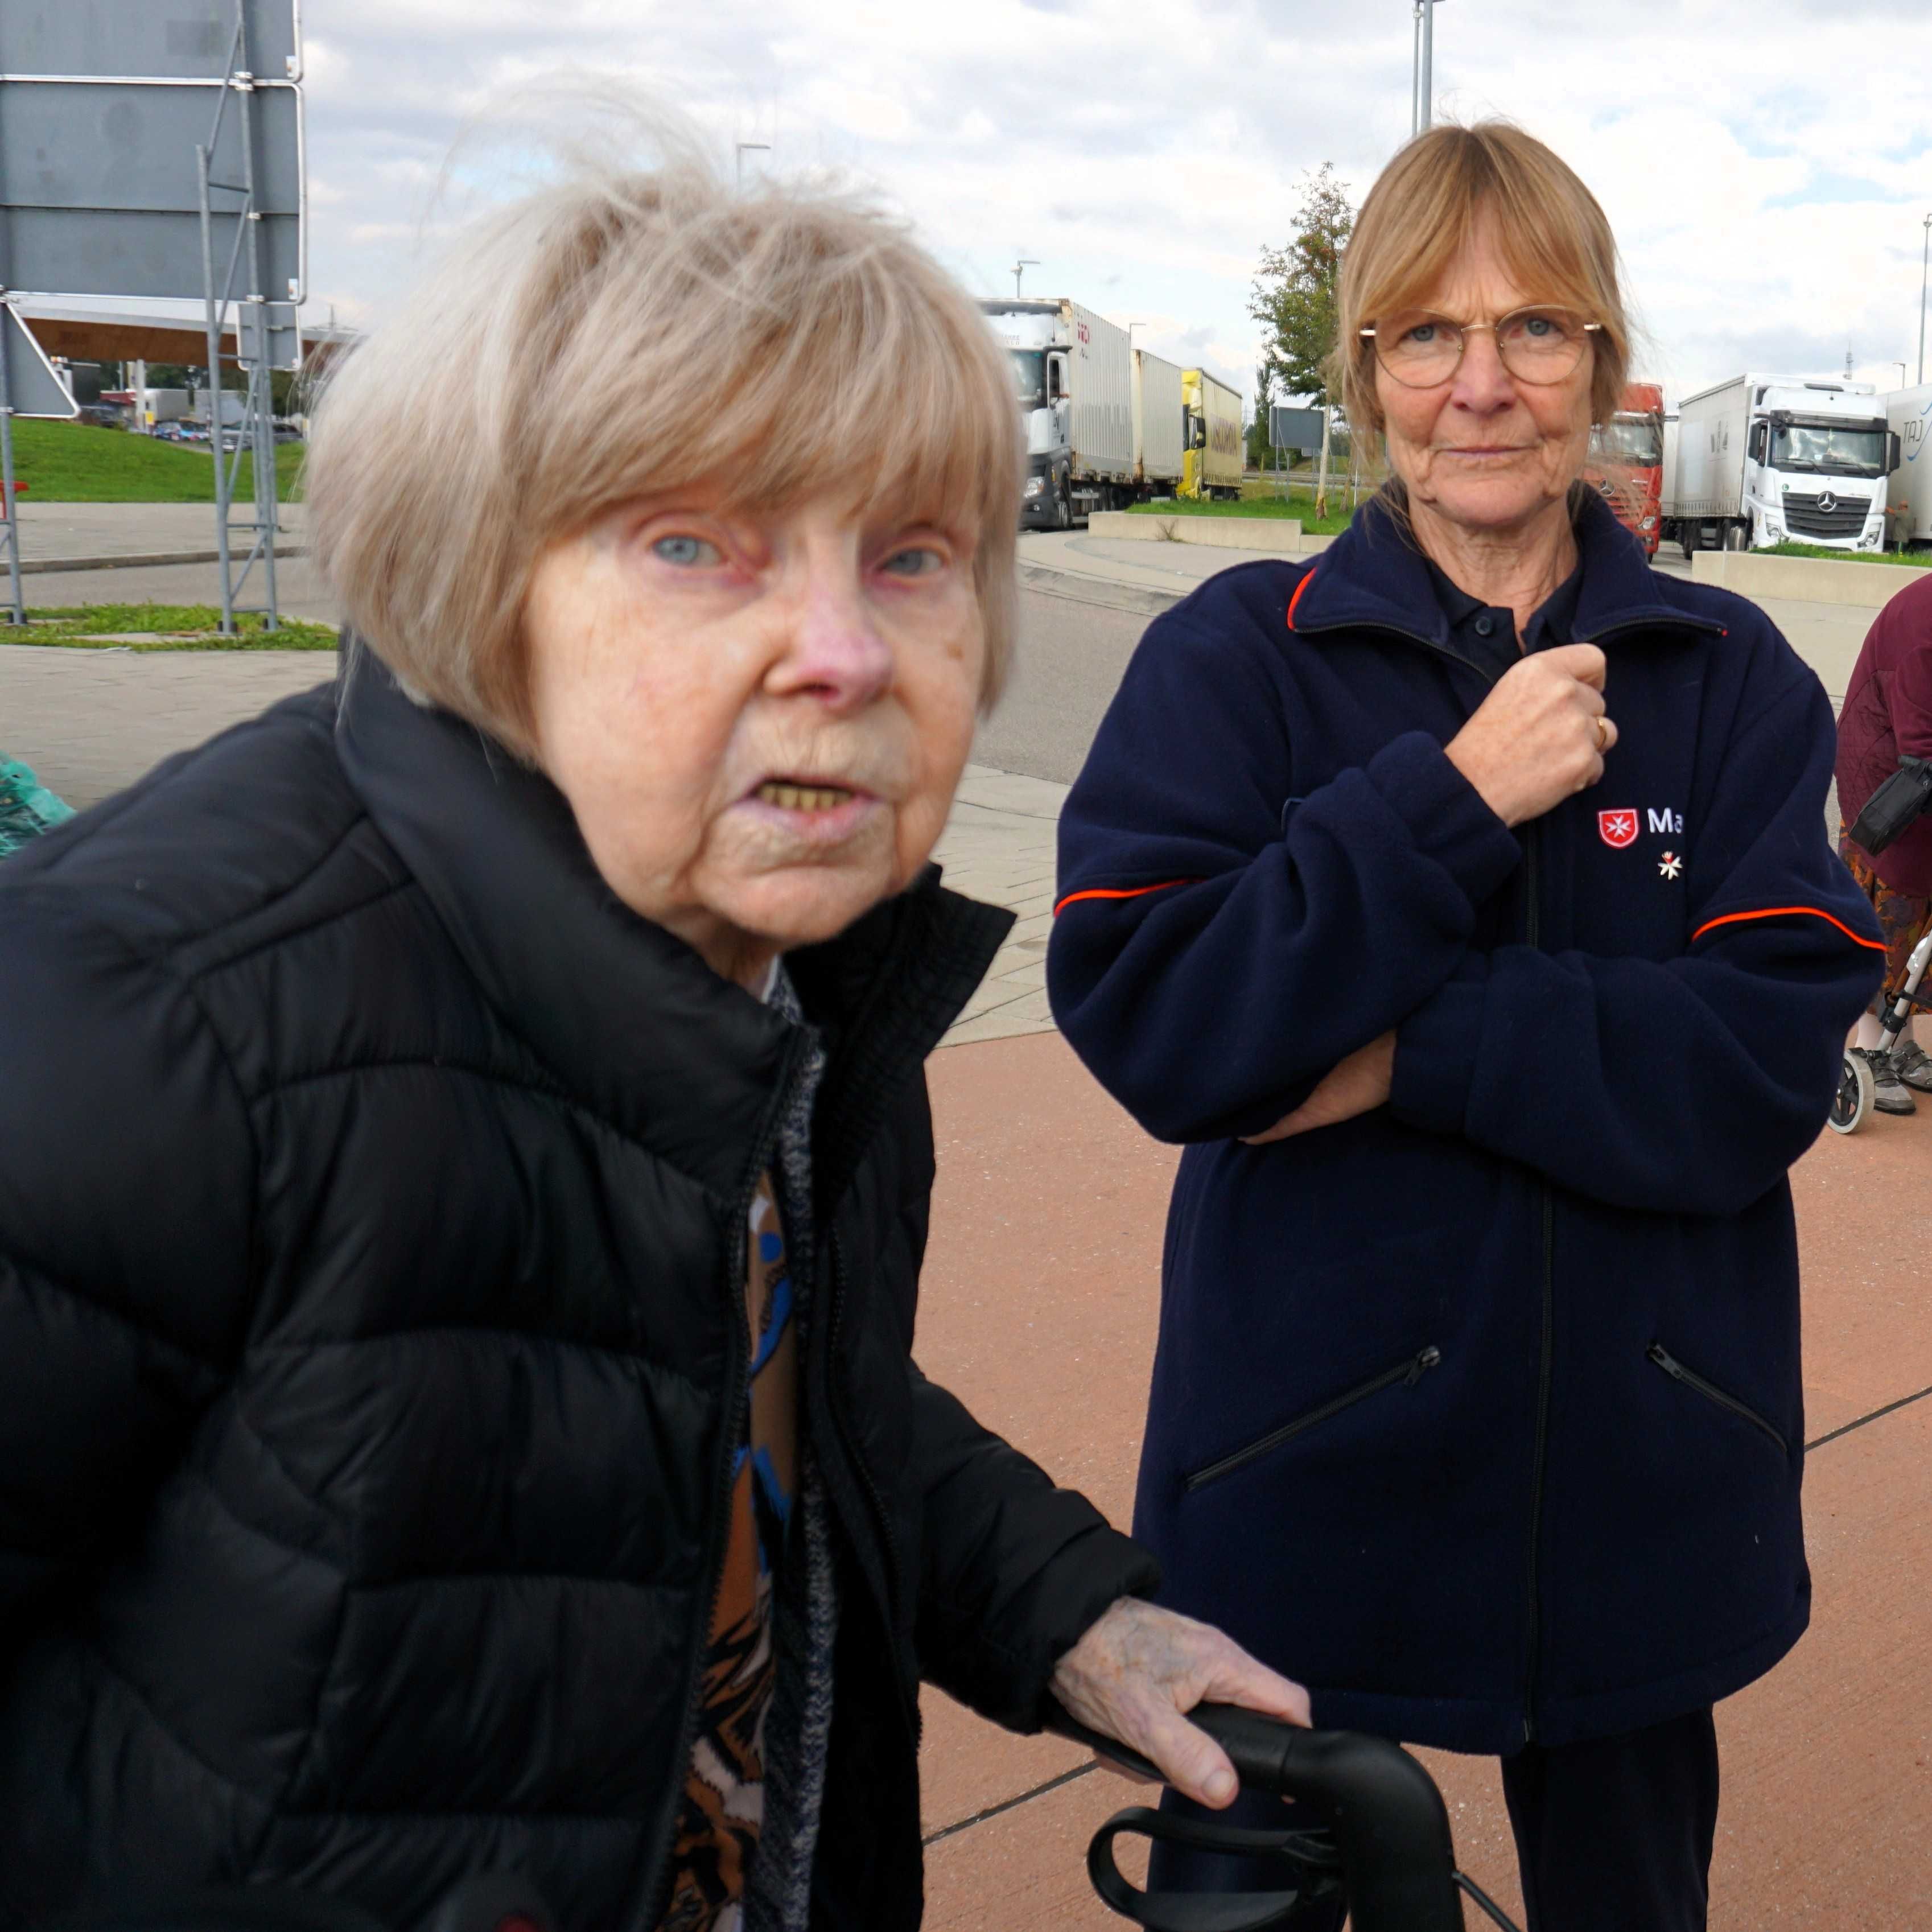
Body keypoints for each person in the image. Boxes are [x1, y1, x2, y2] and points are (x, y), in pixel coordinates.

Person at [0, 142, 1308, 1931]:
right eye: (696, 543)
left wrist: (1071, 1614)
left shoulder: (801, 967)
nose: (842, 651)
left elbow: (719, 1376)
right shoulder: (136, 1022)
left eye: (914, 554)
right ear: (482, 582)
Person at [1048, 122, 1884, 1932]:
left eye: (1537, 331)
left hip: (1650, 1488)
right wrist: (1447, 798)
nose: (1483, 386)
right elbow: (1159, 1018)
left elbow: (1758, 1063)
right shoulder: (1231, 655)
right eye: (1427, 335)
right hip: (1294, 1485)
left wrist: (1396, 1049)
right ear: (1365, 376)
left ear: (1602, 361)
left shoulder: (1730, 676)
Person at [1835, 573, 1932, 1113]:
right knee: (1894, 906)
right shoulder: (1924, 629)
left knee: (1928, 914)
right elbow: (1920, 746)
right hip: (1887, 780)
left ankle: (1907, 1042)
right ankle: (1870, 1045)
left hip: (1918, 767)